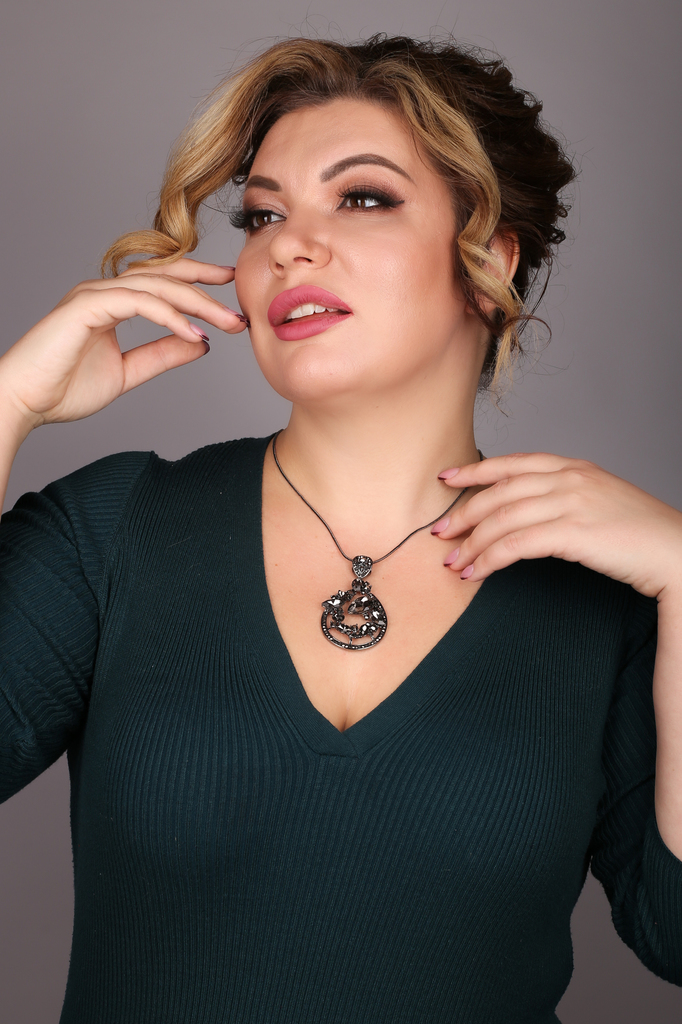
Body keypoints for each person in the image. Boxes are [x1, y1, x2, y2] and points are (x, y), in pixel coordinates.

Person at [1, 34, 681, 1024]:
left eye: (362, 198)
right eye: (262, 214)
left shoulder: (609, 601)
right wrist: (8, 403)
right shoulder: (111, 531)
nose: (287, 245)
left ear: (488, 259)